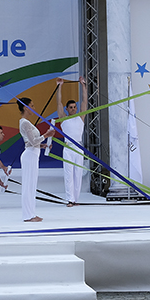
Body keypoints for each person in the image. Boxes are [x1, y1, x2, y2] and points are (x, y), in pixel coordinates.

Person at [56, 77, 88, 206]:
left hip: (79, 148)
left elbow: (85, 101)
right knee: (69, 174)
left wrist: (83, 85)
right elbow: (58, 103)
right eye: (71, 107)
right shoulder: (63, 118)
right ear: (67, 109)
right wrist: (60, 86)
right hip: (68, 148)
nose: (74, 109)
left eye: (75, 107)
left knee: (78, 174)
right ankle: (70, 199)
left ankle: (76, 199)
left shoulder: (81, 117)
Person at [17, 97, 48, 222]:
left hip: (33, 153)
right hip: (29, 155)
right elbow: (32, 141)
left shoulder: (27, 122)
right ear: (26, 107)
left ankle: (31, 213)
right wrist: (45, 135)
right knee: (28, 185)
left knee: (31, 185)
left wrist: (42, 145)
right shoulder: (25, 123)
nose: (34, 108)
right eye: (32, 105)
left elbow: (33, 143)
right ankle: (27, 215)